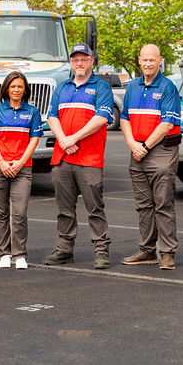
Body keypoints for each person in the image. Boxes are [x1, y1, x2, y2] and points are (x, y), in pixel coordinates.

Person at [43, 43, 115, 269]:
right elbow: (52, 116)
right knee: (64, 210)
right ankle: (64, 250)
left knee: (95, 208)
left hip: (89, 159)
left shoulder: (101, 88)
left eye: (84, 59)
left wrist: (72, 139)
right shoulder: (62, 87)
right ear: (71, 63)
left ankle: (101, 251)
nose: (80, 63)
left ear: (92, 61)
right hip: (62, 158)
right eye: (75, 60)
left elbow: (102, 118)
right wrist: (64, 139)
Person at [120, 44, 182, 270]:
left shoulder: (167, 87)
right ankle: (147, 250)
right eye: (144, 59)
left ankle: (167, 253)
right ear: (139, 60)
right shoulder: (133, 87)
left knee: (163, 203)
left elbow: (167, 123)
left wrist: (144, 146)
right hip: (137, 151)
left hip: (160, 151)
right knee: (143, 205)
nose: (148, 63)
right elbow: (124, 118)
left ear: (160, 61)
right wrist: (133, 144)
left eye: (152, 60)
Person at [0, 71, 43, 269]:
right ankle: (5, 253)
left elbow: (34, 139)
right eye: (13, 86)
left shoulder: (32, 111)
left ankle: (19, 255)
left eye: (20, 86)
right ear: (6, 89)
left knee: (20, 213)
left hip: (22, 168)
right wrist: (1, 161)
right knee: (1, 213)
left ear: (25, 89)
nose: (16, 90)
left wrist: (19, 162)